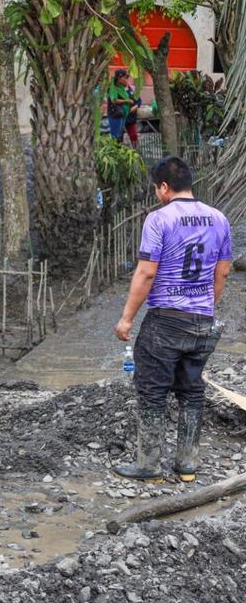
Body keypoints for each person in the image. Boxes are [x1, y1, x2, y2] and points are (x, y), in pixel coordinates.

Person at [112, 156, 232, 483]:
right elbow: (222, 272)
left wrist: (126, 319)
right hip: (202, 319)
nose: (156, 195)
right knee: (191, 390)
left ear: (164, 187)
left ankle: (149, 466)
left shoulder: (159, 219)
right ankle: (187, 465)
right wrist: (205, 307)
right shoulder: (219, 218)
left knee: (152, 390)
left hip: (165, 318)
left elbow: (147, 272)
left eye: (156, 189)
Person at [106, 69, 137, 143]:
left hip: (123, 114)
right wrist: (127, 101)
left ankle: (118, 152)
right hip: (116, 114)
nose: (127, 79)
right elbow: (114, 100)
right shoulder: (113, 88)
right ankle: (114, 152)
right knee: (116, 137)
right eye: (125, 77)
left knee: (120, 136)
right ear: (119, 78)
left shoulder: (123, 87)